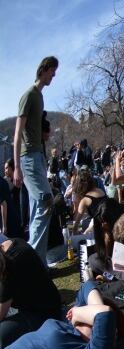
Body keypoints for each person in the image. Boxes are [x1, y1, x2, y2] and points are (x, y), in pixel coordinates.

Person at [13, 56, 58, 263]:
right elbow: (17, 133)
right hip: (28, 158)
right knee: (46, 203)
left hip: (38, 157)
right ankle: (32, 263)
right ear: (44, 69)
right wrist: (16, 169)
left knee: (36, 210)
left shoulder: (40, 97)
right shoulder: (29, 95)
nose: (54, 75)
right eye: (52, 71)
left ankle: (38, 263)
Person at [0, 237, 62, 347]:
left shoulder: (9, 266)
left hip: (43, 314)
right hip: (36, 305)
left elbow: (1, 312)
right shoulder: (13, 244)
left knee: (2, 335)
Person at [70, 166, 107, 233]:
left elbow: (76, 224)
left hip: (99, 226)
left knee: (85, 230)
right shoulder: (100, 191)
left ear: (79, 185)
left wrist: (73, 234)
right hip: (107, 221)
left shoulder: (85, 200)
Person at [0, 160, 23, 239]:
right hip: (15, 217)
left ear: (12, 168)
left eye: (6, 168)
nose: (5, 171)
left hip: (16, 219)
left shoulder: (19, 183)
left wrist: (4, 226)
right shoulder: (7, 182)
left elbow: (3, 203)